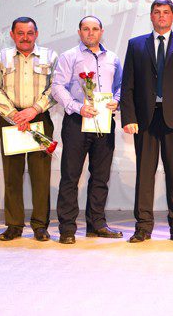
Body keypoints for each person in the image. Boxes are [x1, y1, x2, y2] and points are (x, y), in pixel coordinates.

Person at [121, 0, 173, 243]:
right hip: (145, 119)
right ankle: (143, 227)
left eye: (166, 12)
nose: (161, 16)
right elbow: (128, 85)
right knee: (144, 175)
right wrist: (129, 117)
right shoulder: (136, 44)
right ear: (151, 16)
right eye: (157, 12)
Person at [51, 16, 123, 245]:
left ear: (101, 31)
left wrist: (117, 101)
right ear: (79, 32)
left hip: (104, 122)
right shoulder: (69, 56)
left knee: (101, 176)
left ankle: (96, 224)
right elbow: (57, 86)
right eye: (86, 29)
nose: (90, 32)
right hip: (77, 121)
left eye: (95, 29)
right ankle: (67, 228)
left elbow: (121, 86)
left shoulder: (113, 58)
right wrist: (76, 107)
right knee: (70, 176)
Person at [0, 17, 58, 242]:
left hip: (40, 118)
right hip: (11, 120)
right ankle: (14, 225)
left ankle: (40, 226)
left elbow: (55, 88)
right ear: (12, 34)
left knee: (41, 176)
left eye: (29, 33)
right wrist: (14, 114)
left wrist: (33, 110)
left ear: (36, 34)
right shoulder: (0, 58)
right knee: (12, 175)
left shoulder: (50, 56)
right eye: (20, 33)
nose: (25, 38)